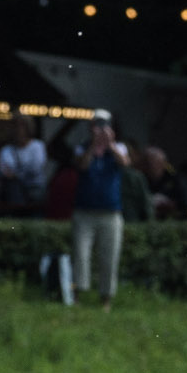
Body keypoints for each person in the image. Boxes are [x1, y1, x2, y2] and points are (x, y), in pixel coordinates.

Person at [70, 114, 125, 308]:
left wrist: (110, 144)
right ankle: (77, 296)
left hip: (110, 213)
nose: (101, 129)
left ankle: (106, 299)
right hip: (84, 212)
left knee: (109, 257)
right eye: (97, 125)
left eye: (105, 125)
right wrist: (94, 145)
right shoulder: (82, 147)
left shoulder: (119, 148)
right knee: (80, 255)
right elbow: (82, 165)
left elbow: (125, 163)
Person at [0, 115, 49, 206]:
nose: (18, 130)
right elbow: (3, 171)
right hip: (13, 190)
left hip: (34, 188)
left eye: (21, 126)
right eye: (15, 126)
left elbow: (36, 168)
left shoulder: (38, 146)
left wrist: (15, 174)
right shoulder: (7, 149)